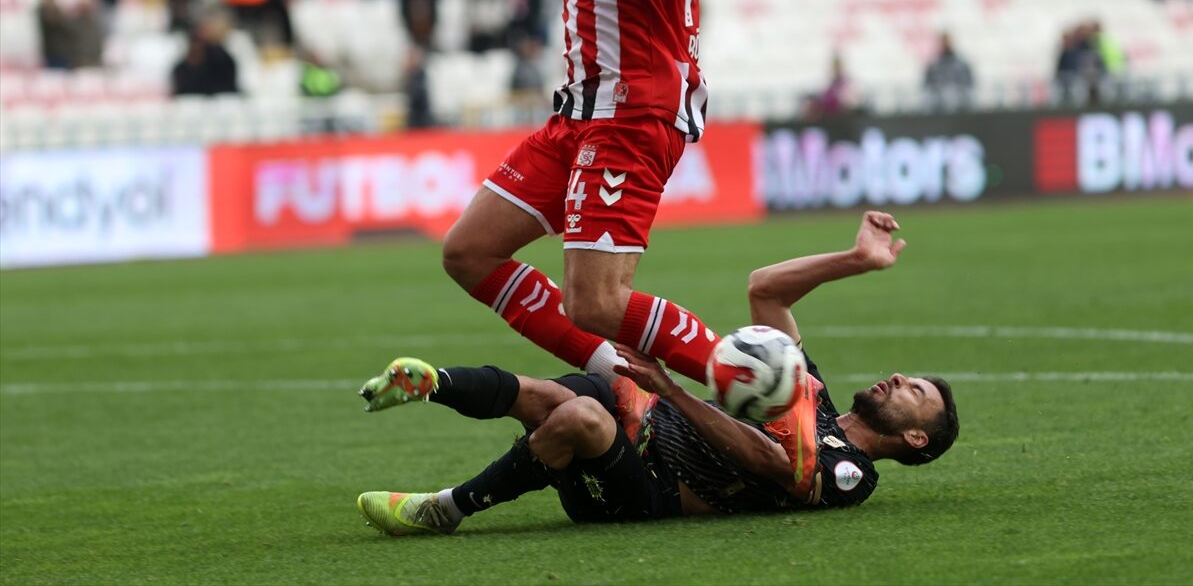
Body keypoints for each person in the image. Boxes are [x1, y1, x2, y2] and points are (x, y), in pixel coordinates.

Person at [355, 212, 959, 535]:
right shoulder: (811, 397)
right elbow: (765, 289)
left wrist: (670, 386)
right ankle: (434, 382)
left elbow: (767, 462)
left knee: (581, 418)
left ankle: (444, 509)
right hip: (646, 418)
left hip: (649, 488)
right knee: (549, 394)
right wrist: (855, 260)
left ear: (915, 439)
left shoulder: (850, 475)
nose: (900, 379)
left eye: (916, 393)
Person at [446, 0, 713, 386]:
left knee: (595, 303)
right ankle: (622, 379)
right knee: (469, 252)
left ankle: (767, 385)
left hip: (631, 115)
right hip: (580, 115)